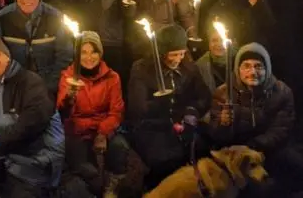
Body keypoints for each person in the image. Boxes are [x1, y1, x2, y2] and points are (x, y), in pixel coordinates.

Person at [0, 37, 67, 197]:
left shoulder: (29, 81)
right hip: (9, 153)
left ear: (7, 56)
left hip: (37, 156)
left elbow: (34, 121)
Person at [208, 43, 302, 196]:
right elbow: (216, 135)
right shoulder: (223, 93)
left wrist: (253, 146)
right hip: (236, 156)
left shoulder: (282, 92)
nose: (252, 72)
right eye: (246, 66)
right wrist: (223, 124)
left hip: (269, 151)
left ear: (267, 68)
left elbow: (280, 131)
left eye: (258, 66)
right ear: (238, 69)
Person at [127, 24, 211, 189]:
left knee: (201, 152)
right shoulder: (142, 69)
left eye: (181, 54)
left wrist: (191, 112)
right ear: (161, 53)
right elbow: (137, 108)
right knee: (164, 162)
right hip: (153, 127)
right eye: (173, 54)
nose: (177, 59)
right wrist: (159, 104)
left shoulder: (189, 68)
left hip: (183, 122)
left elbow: (204, 97)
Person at [56, 31, 127, 198]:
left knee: (120, 147)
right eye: (84, 52)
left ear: (100, 53)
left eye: (93, 51)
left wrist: (103, 133)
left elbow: (116, 111)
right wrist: (69, 98)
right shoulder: (67, 76)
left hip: (104, 126)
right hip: (77, 129)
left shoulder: (112, 77)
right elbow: (62, 112)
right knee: (85, 169)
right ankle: (92, 188)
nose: (89, 57)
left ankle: (112, 185)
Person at [207, 0, 275, 48]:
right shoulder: (222, 5)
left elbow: (269, 26)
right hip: (228, 51)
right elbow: (212, 27)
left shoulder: (260, 2)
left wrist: (257, 6)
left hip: (252, 51)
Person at [195, 29, 228, 94]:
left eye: (223, 40)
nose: (219, 44)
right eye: (214, 40)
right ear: (208, 43)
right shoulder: (199, 66)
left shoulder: (238, 61)